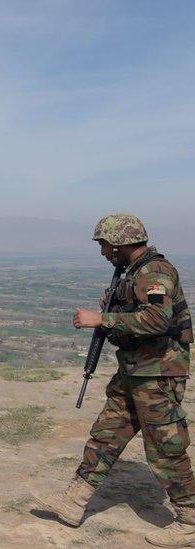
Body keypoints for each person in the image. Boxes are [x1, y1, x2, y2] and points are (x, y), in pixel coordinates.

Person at [33, 213, 194, 547]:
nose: (104, 253)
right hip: (135, 369)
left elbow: (157, 320)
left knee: (165, 445)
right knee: (106, 434)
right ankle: (74, 501)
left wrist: (101, 318)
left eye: (105, 245)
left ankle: (190, 516)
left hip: (158, 373)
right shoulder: (132, 272)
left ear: (121, 241)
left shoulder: (155, 271)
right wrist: (115, 311)